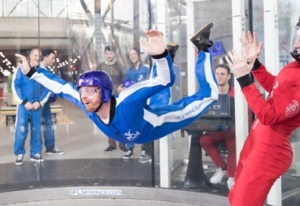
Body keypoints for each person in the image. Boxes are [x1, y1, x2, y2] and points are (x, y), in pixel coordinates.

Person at [16, 26, 218, 148]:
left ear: (103, 93)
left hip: (156, 124)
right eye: (82, 91)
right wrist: (31, 73)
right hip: (140, 121)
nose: (83, 96)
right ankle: (168, 56)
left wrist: (160, 57)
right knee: (157, 94)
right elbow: (60, 87)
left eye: (89, 91)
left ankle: (203, 46)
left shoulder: (127, 101)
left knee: (209, 96)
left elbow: (164, 81)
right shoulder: (87, 104)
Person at [224, 18, 300, 206]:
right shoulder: (295, 68)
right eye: (298, 38)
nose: (297, 44)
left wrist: (244, 80)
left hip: (269, 152)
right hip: (257, 144)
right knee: (235, 199)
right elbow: (276, 87)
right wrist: (255, 64)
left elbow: (269, 116)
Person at [199, 64, 236, 189]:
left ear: (228, 76)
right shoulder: (211, 93)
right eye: (217, 74)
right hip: (216, 129)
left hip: (231, 129)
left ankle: (231, 176)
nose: (219, 77)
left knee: (232, 143)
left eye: (222, 74)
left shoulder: (235, 93)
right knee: (203, 140)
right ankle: (223, 168)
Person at [12, 48, 50, 165]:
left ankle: (35, 153)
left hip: (37, 105)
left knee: (37, 130)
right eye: (35, 55)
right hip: (24, 106)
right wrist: (24, 102)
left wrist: (39, 102)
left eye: (39, 56)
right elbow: (16, 86)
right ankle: (19, 153)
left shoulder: (43, 71)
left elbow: (47, 88)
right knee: (21, 130)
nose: (37, 58)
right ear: (30, 56)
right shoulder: (20, 69)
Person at [117, 48, 150, 159]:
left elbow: (149, 84)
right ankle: (130, 149)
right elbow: (126, 85)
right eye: (130, 55)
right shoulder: (129, 71)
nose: (132, 56)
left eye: (134, 54)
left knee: (144, 124)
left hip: (143, 101)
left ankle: (145, 150)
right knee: (130, 124)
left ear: (138, 55)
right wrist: (120, 89)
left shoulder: (146, 69)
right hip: (132, 102)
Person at [96, 46, 127, 153]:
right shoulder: (99, 67)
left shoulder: (121, 67)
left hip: (118, 98)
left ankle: (122, 144)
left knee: (120, 120)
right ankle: (112, 144)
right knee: (109, 121)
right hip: (106, 98)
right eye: (107, 53)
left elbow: (125, 83)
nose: (109, 56)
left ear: (114, 54)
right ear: (104, 54)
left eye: (111, 53)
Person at [40, 49, 64, 155]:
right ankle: (37, 150)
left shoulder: (45, 70)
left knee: (48, 124)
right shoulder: (38, 70)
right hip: (38, 103)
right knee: (39, 126)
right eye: (52, 58)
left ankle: (50, 147)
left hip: (44, 102)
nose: (54, 60)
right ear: (45, 57)